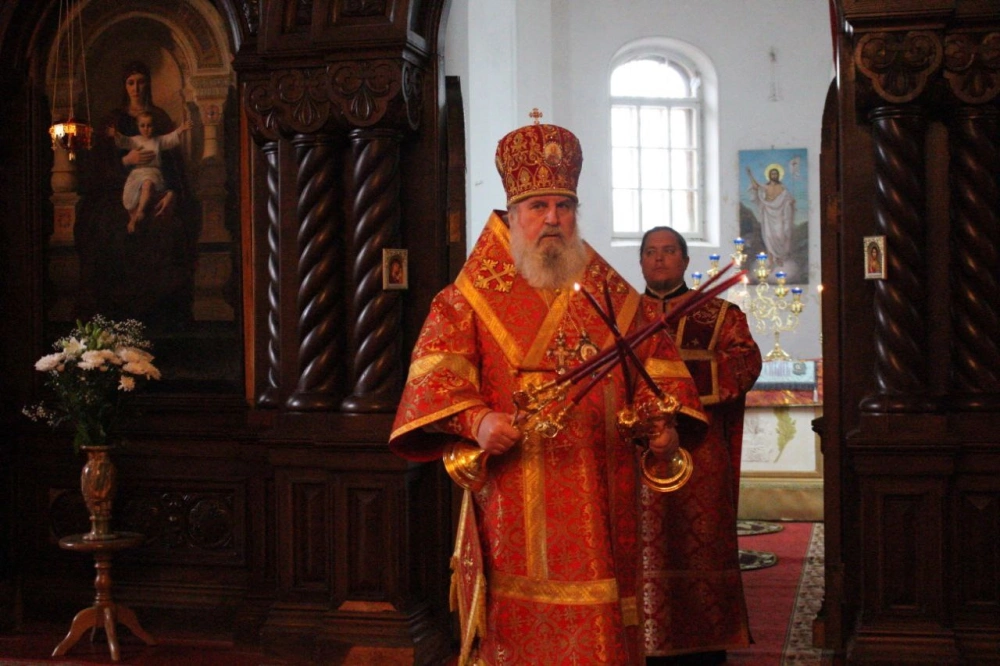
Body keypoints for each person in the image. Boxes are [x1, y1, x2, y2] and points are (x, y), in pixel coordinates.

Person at [390, 121, 708, 665]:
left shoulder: (610, 291)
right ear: (513, 214)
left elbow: (656, 375)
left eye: (564, 206)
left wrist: (660, 424)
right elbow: (432, 382)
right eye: (538, 206)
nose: (554, 218)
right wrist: (477, 422)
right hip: (514, 498)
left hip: (602, 493)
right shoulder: (467, 297)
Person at [639, 226, 763, 665]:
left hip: (701, 455)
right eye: (651, 252)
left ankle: (705, 646)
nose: (659, 258)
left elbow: (746, 361)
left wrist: (675, 385)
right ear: (641, 261)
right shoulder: (623, 318)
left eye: (669, 251)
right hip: (639, 456)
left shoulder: (720, 315)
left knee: (701, 545)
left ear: (685, 260)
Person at [76, 59, 199, 329]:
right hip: (117, 191)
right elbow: (100, 166)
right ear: (124, 86)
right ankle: (115, 316)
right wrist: (126, 161)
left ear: (148, 85)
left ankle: (160, 317)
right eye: (131, 82)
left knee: (170, 229)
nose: (136, 87)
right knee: (107, 228)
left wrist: (172, 194)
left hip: (157, 188)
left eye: (141, 82)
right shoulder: (114, 120)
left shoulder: (159, 119)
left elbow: (174, 165)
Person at [108, 112, 193, 232]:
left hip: (152, 173)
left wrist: (181, 129)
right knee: (131, 196)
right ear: (138, 126)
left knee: (147, 184)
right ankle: (133, 219)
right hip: (137, 174)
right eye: (142, 126)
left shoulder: (158, 141)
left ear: (153, 126)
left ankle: (140, 211)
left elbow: (170, 138)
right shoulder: (135, 140)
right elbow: (123, 141)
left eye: (149, 125)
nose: (146, 129)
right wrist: (115, 134)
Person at [746, 164, 796, 273]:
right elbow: (756, 186)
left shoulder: (782, 188)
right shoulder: (766, 187)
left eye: (775, 174)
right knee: (768, 237)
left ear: (778, 175)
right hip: (768, 214)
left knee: (779, 236)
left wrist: (790, 202)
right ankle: (771, 261)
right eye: (772, 174)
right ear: (769, 175)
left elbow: (788, 198)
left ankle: (779, 258)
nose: (774, 175)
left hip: (779, 215)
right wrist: (750, 175)